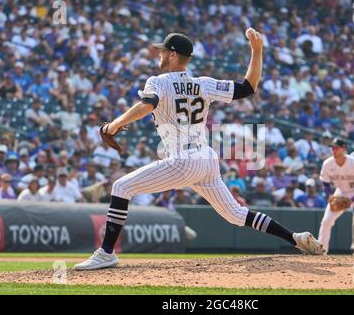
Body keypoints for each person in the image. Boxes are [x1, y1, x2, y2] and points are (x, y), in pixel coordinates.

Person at [75, 30, 324, 270]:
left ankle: (106, 253)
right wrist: (256, 52)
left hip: (183, 159)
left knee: (121, 187)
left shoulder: (158, 81)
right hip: (206, 159)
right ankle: (296, 238)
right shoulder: (203, 84)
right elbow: (247, 87)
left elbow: (148, 104)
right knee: (236, 214)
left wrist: (114, 124)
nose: (159, 55)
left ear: (173, 55)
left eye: (162, 51)